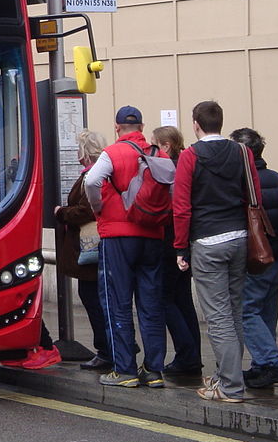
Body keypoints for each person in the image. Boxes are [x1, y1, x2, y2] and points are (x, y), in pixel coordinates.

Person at [173, 100, 263, 404]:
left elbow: (182, 206)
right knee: (234, 312)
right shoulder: (242, 151)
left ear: (196, 124)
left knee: (219, 318)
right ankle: (228, 377)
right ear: (220, 123)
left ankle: (230, 387)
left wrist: (180, 247)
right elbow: (255, 196)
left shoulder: (190, 156)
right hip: (239, 238)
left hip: (207, 241)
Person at [84, 105, 167, 388]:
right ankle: (154, 370)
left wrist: (100, 207)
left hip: (118, 236)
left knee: (117, 302)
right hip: (153, 234)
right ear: (142, 128)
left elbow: (92, 180)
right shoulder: (157, 153)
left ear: (117, 127)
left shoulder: (113, 153)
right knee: (152, 304)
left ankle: (125, 369)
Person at [230, 127, 278, 389]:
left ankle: (272, 362)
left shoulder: (241, 182)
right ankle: (262, 367)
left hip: (254, 258)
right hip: (276, 256)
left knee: (247, 312)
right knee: (267, 312)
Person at [54, 129, 112, 372]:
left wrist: (61, 213)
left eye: (79, 150)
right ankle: (110, 347)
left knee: (94, 299)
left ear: (86, 153)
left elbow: (85, 210)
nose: (77, 156)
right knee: (97, 299)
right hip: (94, 248)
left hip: (91, 249)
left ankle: (107, 350)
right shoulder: (97, 173)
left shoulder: (94, 176)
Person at [152, 125, 203, 376]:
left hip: (171, 239)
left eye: (155, 144)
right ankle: (192, 354)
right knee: (183, 298)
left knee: (164, 299)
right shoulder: (188, 163)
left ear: (165, 146)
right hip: (188, 239)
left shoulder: (166, 167)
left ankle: (187, 354)